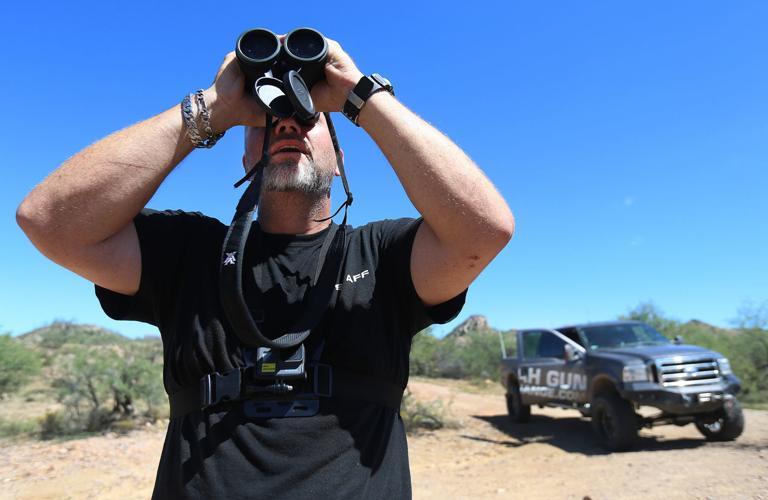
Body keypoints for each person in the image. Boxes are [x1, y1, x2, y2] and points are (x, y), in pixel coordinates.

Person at [17, 34, 514, 499]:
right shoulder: (190, 252)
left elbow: (485, 231)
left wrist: (358, 96)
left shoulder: (382, 254)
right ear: (244, 156)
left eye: (309, 117)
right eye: (267, 121)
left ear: (339, 160)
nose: (288, 122)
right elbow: (49, 222)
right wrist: (213, 108)